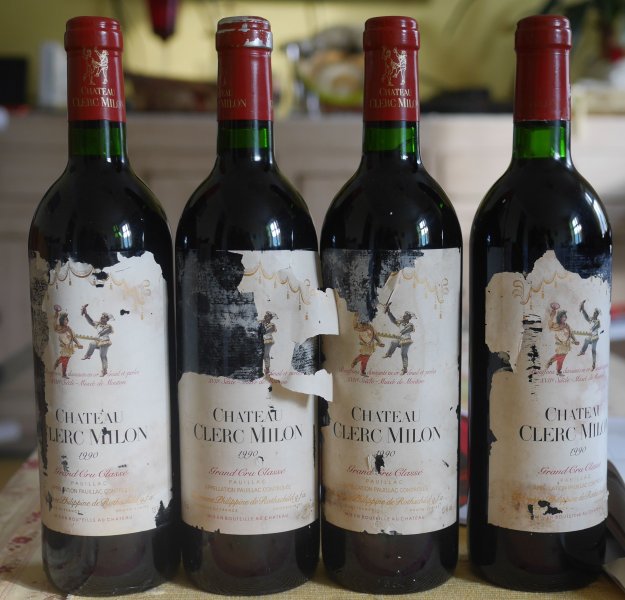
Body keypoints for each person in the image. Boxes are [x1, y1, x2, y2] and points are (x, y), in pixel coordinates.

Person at [382, 303, 416, 375]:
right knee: (394, 342)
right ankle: (389, 354)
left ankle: (405, 368)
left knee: (403, 353)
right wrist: (389, 312)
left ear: (409, 317)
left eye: (406, 315)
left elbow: (407, 329)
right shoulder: (401, 322)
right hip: (400, 339)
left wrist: (401, 332)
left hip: (406, 340)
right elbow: (394, 320)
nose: (404, 315)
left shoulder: (410, 325)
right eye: (404, 314)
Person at [81, 304, 114, 376]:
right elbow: (91, 321)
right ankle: (88, 355)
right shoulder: (98, 324)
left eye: (104, 317)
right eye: (101, 317)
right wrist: (86, 314)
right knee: (92, 343)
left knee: (102, 356)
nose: (101, 318)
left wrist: (99, 334)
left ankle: (104, 371)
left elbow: (103, 332)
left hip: (105, 342)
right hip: (98, 341)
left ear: (107, 319)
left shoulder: (108, 326)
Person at [545, 304, 579, 375]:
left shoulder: (567, 325)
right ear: (559, 317)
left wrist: (575, 340)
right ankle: (550, 361)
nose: (565, 318)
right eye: (563, 317)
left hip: (567, 345)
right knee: (560, 356)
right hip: (560, 345)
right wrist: (552, 316)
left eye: (565, 316)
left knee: (562, 358)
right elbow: (550, 325)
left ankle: (558, 371)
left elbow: (571, 333)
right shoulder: (556, 325)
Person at [52, 307, 83, 378]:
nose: (66, 321)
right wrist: (56, 314)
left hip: (70, 347)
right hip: (64, 347)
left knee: (65, 359)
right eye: (65, 320)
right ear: (61, 320)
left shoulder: (69, 328)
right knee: (65, 360)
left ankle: (57, 362)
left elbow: (74, 337)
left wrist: (78, 343)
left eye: (67, 320)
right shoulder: (59, 328)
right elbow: (54, 324)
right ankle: (64, 374)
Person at [578, 299, 601, 370]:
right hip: (590, 336)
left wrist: (592, 329)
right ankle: (582, 352)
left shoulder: (597, 321)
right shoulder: (591, 319)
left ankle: (594, 363)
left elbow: (595, 326)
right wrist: (583, 310)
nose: (594, 314)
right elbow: (587, 317)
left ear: (597, 314)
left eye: (596, 313)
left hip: (595, 337)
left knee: (593, 350)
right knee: (586, 341)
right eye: (594, 313)